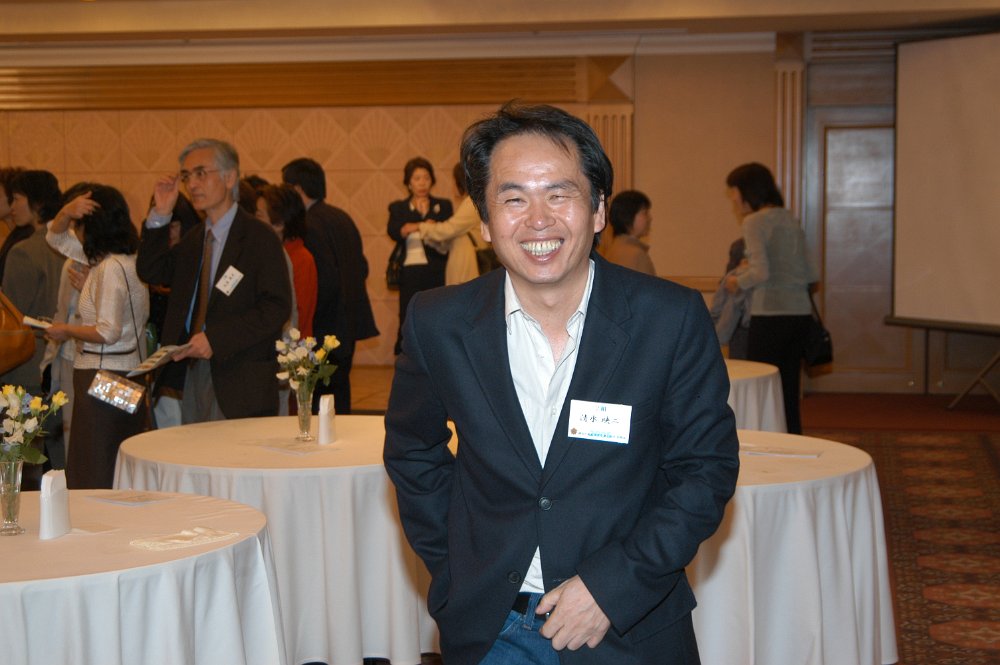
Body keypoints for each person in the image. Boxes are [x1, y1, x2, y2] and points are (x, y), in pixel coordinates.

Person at [383, 102, 739, 664]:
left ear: (598, 210)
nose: (537, 219)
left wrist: (612, 586)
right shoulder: (438, 322)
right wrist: (457, 565)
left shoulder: (668, 319)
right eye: (513, 198)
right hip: (490, 626)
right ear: (484, 221)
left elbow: (704, 470)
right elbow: (412, 451)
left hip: (625, 627)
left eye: (559, 194)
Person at [136, 138, 291, 424]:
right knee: (197, 449)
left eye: (200, 173)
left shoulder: (258, 238)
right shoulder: (195, 239)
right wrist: (160, 214)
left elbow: (275, 308)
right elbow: (152, 271)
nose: (192, 184)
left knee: (235, 451)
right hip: (192, 370)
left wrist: (216, 340)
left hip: (240, 373)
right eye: (186, 176)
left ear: (229, 177)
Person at [44, 184, 149, 489]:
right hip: (128, 373)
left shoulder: (109, 267)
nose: (75, 231)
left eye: (78, 223)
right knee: (118, 455)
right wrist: (67, 212)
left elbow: (107, 331)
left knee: (94, 462)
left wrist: (65, 330)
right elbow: (55, 237)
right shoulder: (128, 259)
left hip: (101, 375)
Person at [724, 162, 818, 434]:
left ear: (747, 191)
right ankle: (794, 440)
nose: (733, 199)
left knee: (765, 389)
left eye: (734, 192)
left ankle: (765, 442)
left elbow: (761, 272)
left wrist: (736, 281)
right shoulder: (789, 218)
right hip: (799, 314)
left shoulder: (754, 222)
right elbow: (812, 272)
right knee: (788, 390)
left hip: (769, 315)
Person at [282, 157, 379, 415]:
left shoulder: (308, 224)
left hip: (325, 326)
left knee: (320, 400)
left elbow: (323, 281)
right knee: (340, 396)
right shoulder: (342, 217)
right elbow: (363, 267)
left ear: (297, 188)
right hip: (348, 323)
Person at [0, 169, 64, 395]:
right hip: (59, 360)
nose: (13, 206)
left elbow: (11, 315)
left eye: (17, 199)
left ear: (36, 202)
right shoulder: (70, 243)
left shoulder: (23, 251)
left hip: (25, 362)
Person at [386, 156, 454, 354]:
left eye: (426, 178)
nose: (422, 183)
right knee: (408, 314)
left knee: (437, 313)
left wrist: (413, 227)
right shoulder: (398, 207)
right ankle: (406, 356)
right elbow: (395, 230)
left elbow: (447, 232)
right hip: (409, 271)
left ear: (432, 180)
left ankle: (437, 355)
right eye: (417, 178)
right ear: (408, 183)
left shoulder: (443, 205)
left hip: (436, 268)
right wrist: (423, 225)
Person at [399, 162, 484, 286]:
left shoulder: (472, 203)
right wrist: (430, 233)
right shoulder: (471, 203)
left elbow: (449, 229)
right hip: (463, 263)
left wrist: (420, 226)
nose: (453, 185)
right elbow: (449, 239)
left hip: (467, 264)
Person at [256, 183, 317, 337]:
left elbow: (298, 316)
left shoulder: (301, 259)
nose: (253, 222)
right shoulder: (266, 254)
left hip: (291, 347)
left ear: (279, 224)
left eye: (258, 216)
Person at [604, 189, 656, 276]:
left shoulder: (613, 250)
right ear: (628, 215)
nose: (649, 218)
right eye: (645, 212)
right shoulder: (635, 255)